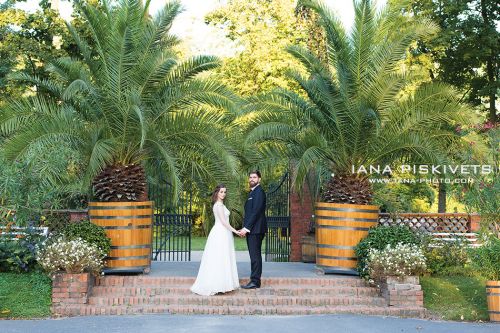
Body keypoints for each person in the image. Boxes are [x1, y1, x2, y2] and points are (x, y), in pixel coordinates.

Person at [190, 184, 241, 296]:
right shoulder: (218, 205)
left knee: (223, 257)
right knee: (219, 257)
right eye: (221, 192)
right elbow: (223, 222)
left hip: (224, 232)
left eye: (224, 192)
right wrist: (235, 231)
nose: (223, 194)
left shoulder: (221, 204)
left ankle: (223, 283)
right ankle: (217, 284)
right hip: (220, 233)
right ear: (217, 193)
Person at [239, 170, 267, 289]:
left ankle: (255, 281)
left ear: (259, 179)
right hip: (253, 229)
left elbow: (256, 212)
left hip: (256, 229)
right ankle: (255, 280)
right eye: (250, 177)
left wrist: (246, 228)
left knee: (255, 256)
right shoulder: (253, 193)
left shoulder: (259, 192)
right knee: (254, 255)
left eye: (254, 177)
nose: (252, 179)